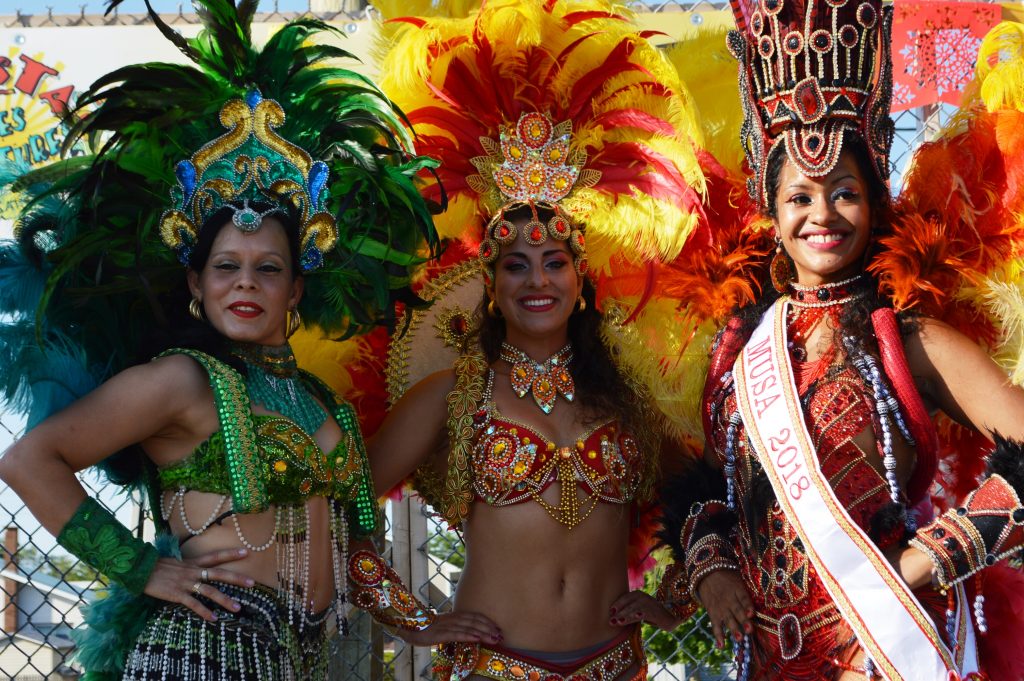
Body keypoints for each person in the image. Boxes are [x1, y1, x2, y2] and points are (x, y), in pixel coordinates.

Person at [0, 3, 490, 679]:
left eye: (269, 268)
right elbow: (30, 459)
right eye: (226, 267)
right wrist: (145, 569)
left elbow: (348, 543)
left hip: (301, 660)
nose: (245, 284)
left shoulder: (319, 402)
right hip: (203, 654)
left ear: (295, 292)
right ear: (196, 286)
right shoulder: (182, 379)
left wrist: (421, 621)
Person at [659, 1, 1024, 679]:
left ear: (873, 200)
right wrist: (709, 566)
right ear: (772, 210)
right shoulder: (738, 344)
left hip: (887, 651)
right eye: (800, 198)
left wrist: (931, 557)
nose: (822, 215)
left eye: (844, 193)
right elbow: (708, 482)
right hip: (768, 660)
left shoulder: (910, 338)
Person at [365, 2, 711, 679]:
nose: (537, 280)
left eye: (554, 260)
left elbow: (702, 496)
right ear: (489, 281)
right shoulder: (452, 392)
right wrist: (414, 618)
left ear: (581, 278)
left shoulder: (628, 394)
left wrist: (675, 598)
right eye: (516, 264)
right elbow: (344, 506)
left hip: (614, 664)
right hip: (493, 668)